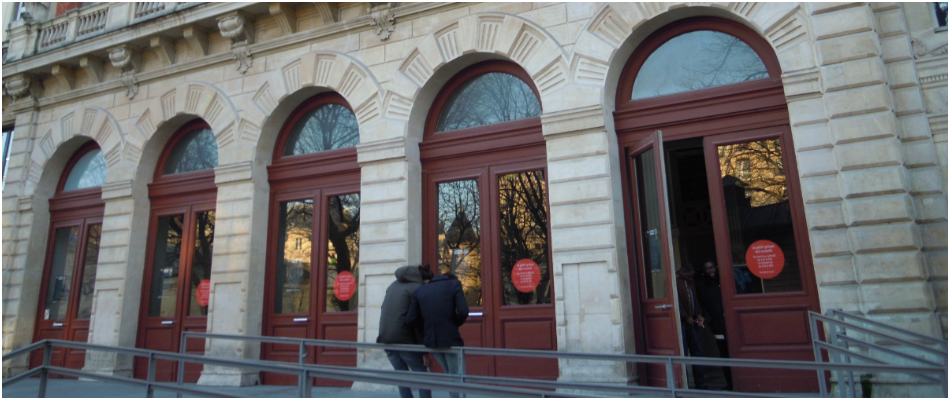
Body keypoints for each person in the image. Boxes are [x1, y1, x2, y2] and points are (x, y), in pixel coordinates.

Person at [407, 272, 469, 398]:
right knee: (456, 374)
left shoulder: (420, 290)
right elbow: (463, 311)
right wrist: (454, 323)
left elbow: (411, 318)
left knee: (450, 374)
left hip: (431, 341)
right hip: (450, 338)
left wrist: (427, 326)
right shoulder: (454, 285)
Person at [377, 264, 435, 398]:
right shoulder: (418, 288)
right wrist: (424, 351)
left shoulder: (393, 285)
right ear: (425, 280)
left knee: (401, 374)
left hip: (385, 338)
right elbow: (416, 322)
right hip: (404, 339)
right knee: (422, 373)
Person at [696, 260, 732, 390]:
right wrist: (710, 321)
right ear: (703, 271)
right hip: (717, 325)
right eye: (707, 269)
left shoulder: (723, 281)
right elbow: (702, 305)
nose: (710, 270)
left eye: (711, 267)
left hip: (731, 321)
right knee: (724, 353)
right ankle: (730, 382)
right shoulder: (702, 286)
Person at [676, 262, 707, 390]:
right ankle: (684, 385)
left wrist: (699, 314)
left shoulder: (690, 282)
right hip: (683, 324)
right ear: (683, 272)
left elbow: (696, 300)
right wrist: (686, 317)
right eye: (689, 275)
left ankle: (701, 384)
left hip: (693, 323)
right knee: (683, 354)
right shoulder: (675, 283)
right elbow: (676, 303)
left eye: (692, 276)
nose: (691, 278)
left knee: (697, 353)